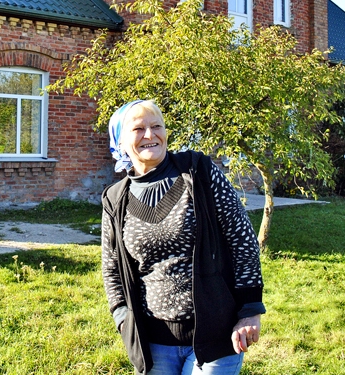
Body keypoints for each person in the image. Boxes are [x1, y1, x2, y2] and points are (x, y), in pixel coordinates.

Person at [101, 100, 265, 375]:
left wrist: (250, 309)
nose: (150, 135)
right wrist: (122, 318)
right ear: (120, 139)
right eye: (138, 129)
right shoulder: (116, 198)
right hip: (152, 344)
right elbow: (111, 268)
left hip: (216, 335)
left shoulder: (198, 172)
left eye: (157, 126)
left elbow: (242, 239)